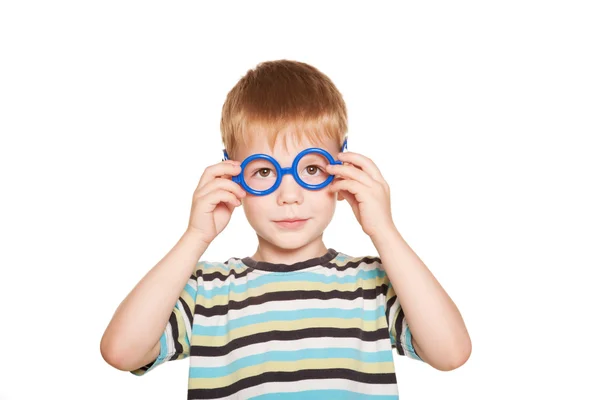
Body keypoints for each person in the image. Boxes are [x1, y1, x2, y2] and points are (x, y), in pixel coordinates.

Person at [100, 59, 471, 399]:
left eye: (311, 168)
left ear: (342, 170)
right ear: (233, 176)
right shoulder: (207, 291)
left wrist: (385, 232)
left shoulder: (373, 283)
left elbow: (451, 354)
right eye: (265, 172)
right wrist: (194, 238)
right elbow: (121, 352)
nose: (288, 195)